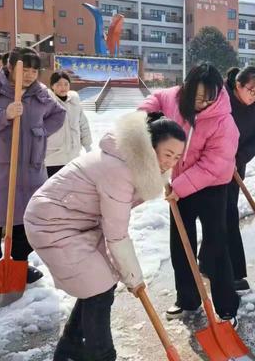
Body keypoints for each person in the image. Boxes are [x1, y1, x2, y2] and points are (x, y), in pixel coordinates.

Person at [24, 111, 186, 361]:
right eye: (167, 155)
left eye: (176, 158)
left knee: (101, 285)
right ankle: (101, 354)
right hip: (52, 224)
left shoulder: (134, 163)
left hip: (79, 221)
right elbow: (116, 234)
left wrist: (127, 273)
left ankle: (70, 349)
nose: (170, 163)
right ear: (147, 146)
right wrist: (135, 278)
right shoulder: (120, 169)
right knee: (99, 288)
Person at [139, 63, 241, 326]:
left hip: (212, 188)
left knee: (216, 246)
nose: (202, 104)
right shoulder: (174, 98)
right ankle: (188, 300)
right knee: (180, 245)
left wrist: (179, 187)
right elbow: (156, 98)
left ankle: (227, 309)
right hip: (179, 187)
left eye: (208, 98)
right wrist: (146, 117)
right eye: (196, 98)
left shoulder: (223, 120)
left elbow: (214, 164)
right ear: (186, 89)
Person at [0, 47, 65, 284]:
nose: (29, 75)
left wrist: (40, 132)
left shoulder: (41, 93)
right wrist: (4, 114)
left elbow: (59, 114)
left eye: (34, 71)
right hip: (2, 170)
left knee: (24, 224)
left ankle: (19, 267)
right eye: (24, 69)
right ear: (9, 67)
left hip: (31, 169)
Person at [199, 66, 255, 291]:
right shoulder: (220, 100)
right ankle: (211, 268)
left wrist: (239, 158)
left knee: (228, 217)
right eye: (252, 90)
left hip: (234, 171)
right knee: (215, 219)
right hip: (210, 169)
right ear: (238, 85)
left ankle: (232, 272)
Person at [45, 70, 93, 177]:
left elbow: (83, 125)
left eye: (66, 84)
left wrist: (88, 145)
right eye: (59, 84)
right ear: (52, 86)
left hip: (73, 157)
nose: (63, 87)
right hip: (52, 158)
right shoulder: (47, 102)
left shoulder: (75, 102)